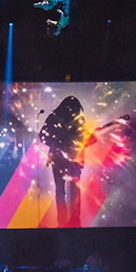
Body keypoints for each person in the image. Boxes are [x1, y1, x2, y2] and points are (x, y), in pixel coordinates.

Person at [40, 96, 89, 228]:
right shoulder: (75, 119)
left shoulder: (54, 118)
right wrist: (60, 144)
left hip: (65, 160)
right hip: (66, 160)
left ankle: (66, 222)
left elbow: (43, 136)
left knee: (63, 191)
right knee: (69, 191)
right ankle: (71, 222)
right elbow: (43, 136)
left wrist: (58, 144)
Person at [33, 0, 106, 36]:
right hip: (66, 0)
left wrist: (50, 21)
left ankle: (45, 1)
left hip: (65, 1)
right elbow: (61, 17)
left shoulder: (59, 25)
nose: (58, 33)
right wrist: (60, 12)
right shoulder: (61, 24)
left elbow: (55, 22)